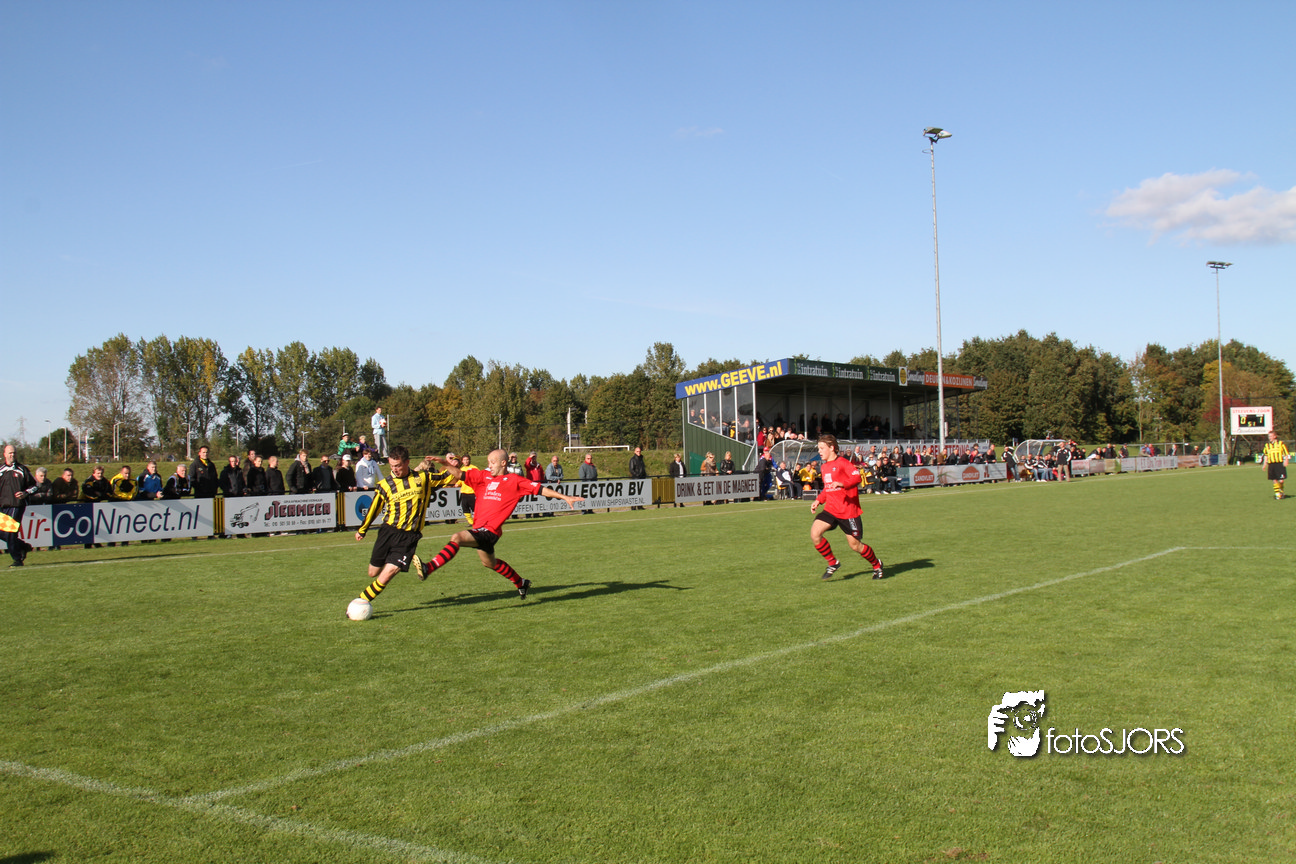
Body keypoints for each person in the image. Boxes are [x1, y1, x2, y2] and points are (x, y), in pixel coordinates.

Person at [414, 450, 584, 598]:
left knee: (457, 537)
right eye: (488, 462)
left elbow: (541, 489)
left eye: (492, 462)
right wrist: (445, 463)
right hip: (480, 529)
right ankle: (521, 583)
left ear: (503, 463)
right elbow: (459, 474)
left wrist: (564, 497)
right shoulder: (483, 476)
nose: (489, 465)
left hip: (490, 531)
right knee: (490, 563)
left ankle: (429, 567)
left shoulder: (514, 480)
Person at [351, 446, 457, 611]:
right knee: (373, 572)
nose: (395, 469)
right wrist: (362, 529)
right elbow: (374, 508)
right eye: (392, 466)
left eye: (398, 465)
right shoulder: (385, 484)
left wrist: (448, 463)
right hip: (388, 532)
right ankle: (397, 559)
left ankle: (360, 602)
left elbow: (452, 476)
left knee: (390, 571)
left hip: (409, 536)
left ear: (407, 462)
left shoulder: (423, 477)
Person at [809, 434, 884, 581]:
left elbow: (856, 478)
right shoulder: (824, 467)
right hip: (831, 509)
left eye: (822, 448)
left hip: (848, 511)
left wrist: (842, 484)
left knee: (855, 546)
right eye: (819, 448)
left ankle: (877, 565)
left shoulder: (843, 463)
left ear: (832, 448)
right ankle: (833, 563)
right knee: (815, 534)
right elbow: (827, 488)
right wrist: (818, 500)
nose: (819, 451)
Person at [0, 445, 36, 567]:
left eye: (14, 453)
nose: (12, 455)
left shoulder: (22, 470)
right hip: (2, 506)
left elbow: (34, 486)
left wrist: (25, 493)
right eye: (10, 453)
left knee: (10, 531)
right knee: (5, 533)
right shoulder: (1, 470)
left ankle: (17, 559)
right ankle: (23, 546)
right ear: (5, 454)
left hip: (17, 505)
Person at [1260, 430, 1290, 500]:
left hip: (1279, 464)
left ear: (1275, 436)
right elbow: (1266, 455)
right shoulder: (1267, 446)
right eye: (1269, 436)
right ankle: (1277, 494)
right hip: (1271, 464)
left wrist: (1286, 460)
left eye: (1271, 436)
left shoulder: (1281, 444)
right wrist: (1264, 464)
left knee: (1281, 480)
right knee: (1274, 479)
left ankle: (1281, 491)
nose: (1270, 438)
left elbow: (1286, 453)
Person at [628, 446, 648, 510]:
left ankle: (640, 506)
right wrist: (637, 475)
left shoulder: (641, 459)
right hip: (636, 479)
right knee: (635, 493)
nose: (639, 452)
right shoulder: (633, 459)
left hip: (642, 478)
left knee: (641, 493)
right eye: (637, 451)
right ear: (634, 452)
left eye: (639, 451)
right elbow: (631, 470)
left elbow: (643, 468)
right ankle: (633, 506)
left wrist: (644, 475)